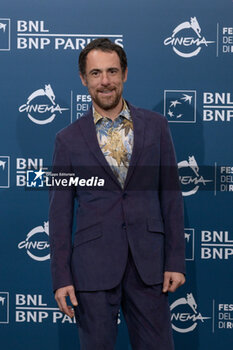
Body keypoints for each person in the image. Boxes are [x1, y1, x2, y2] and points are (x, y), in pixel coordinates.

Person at [49, 38, 185, 350]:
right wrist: (61, 277)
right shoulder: (67, 140)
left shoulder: (157, 127)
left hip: (149, 266)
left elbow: (172, 197)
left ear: (125, 74)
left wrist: (175, 260)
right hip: (92, 269)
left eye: (112, 71)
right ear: (84, 79)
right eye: (96, 73)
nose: (105, 81)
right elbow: (59, 216)